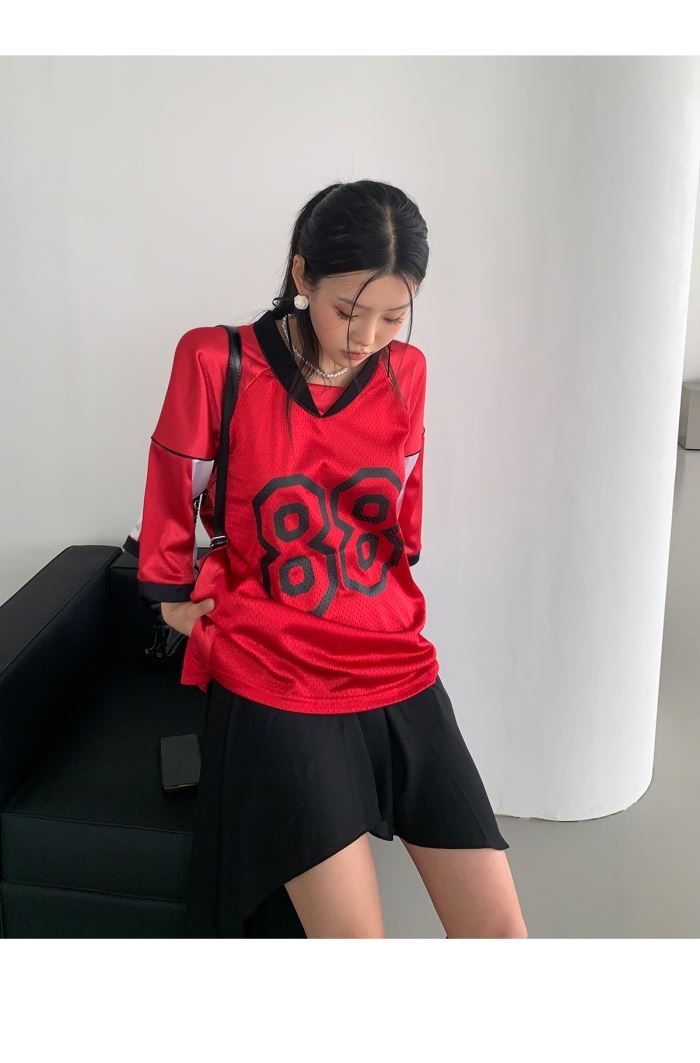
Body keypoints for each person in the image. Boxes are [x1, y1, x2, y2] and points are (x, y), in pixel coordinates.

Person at [125, 179, 528, 939]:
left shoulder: (407, 372)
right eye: (348, 310)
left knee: (500, 934)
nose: (366, 336)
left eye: (393, 316)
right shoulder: (216, 359)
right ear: (302, 274)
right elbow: (174, 476)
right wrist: (170, 595)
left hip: (391, 650)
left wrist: (384, 579)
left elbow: (404, 507)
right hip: (275, 662)